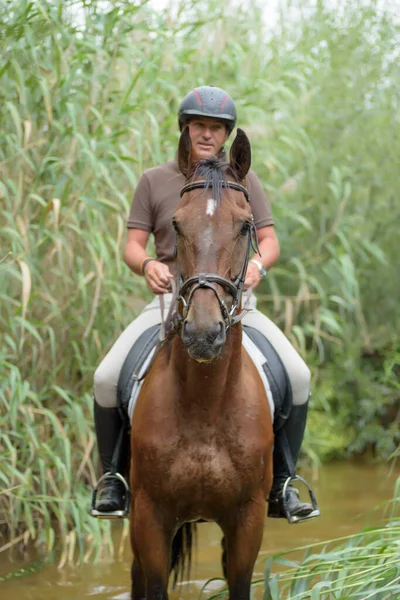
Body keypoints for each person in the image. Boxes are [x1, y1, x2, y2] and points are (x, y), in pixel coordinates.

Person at [92, 85, 319, 522]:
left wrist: (256, 266)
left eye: (217, 127)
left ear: (227, 134)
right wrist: (147, 267)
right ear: (186, 129)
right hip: (170, 305)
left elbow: (268, 240)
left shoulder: (244, 179)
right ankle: (114, 481)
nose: (207, 134)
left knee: (298, 374)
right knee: (105, 379)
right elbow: (132, 245)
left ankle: (284, 482)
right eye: (199, 125)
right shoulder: (155, 181)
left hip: (236, 306)